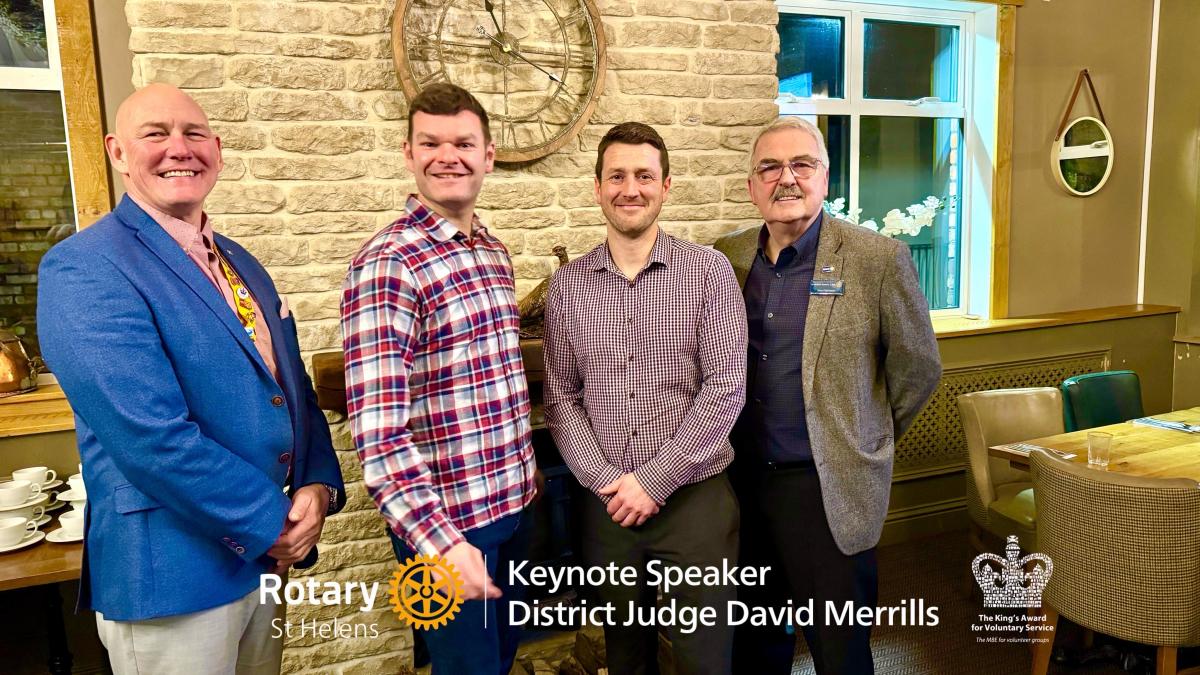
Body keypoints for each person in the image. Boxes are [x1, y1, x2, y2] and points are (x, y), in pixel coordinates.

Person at [36, 83, 345, 675]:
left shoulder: (240, 260)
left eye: (194, 133)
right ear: (118, 152)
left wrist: (316, 485)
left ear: (218, 151)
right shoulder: (84, 267)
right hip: (171, 573)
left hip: (262, 563)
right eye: (155, 134)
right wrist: (271, 521)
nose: (179, 148)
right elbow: (150, 437)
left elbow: (293, 392)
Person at [713, 116, 942, 674]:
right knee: (754, 645)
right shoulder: (728, 255)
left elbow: (919, 368)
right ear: (751, 186)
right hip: (742, 486)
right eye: (769, 167)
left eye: (801, 165)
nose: (785, 179)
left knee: (839, 652)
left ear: (824, 177)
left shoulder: (877, 260)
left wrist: (866, 435)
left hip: (827, 488)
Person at [341, 83, 536, 675]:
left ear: (489, 155)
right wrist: (443, 545)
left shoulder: (492, 251)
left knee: (501, 661)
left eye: (463, 142)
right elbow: (378, 436)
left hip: (511, 506)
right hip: (447, 528)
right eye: (431, 142)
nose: (447, 155)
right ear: (408, 152)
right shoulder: (388, 264)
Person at [543, 122, 748, 675]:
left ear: (666, 185)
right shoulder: (568, 286)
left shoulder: (709, 272)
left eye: (643, 175)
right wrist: (609, 481)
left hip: (696, 502)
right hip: (608, 507)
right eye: (617, 175)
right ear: (597, 187)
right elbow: (562, 396)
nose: (629, 188)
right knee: (626, 656)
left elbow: (725, 389)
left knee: (705, 660)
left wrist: (651, 482)